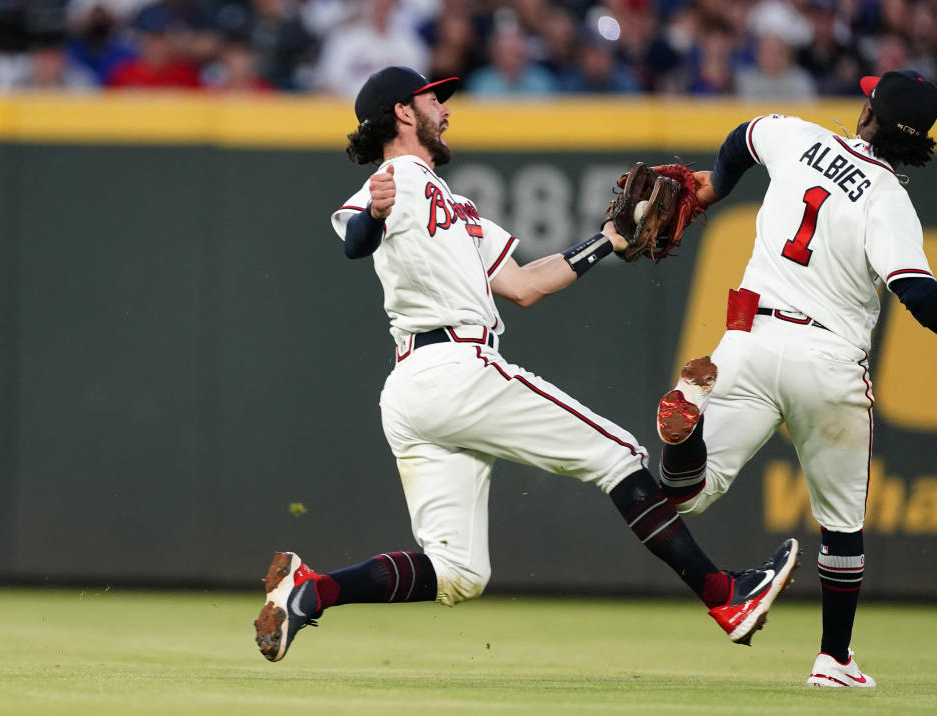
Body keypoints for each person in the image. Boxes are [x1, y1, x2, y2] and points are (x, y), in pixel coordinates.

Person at [253, 65, 800, 664]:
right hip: (454, 366)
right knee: (618, 454)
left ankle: (312, 592)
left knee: (459, 571)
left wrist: (610, 240)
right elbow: (355, 241)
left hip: (415, 391)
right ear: (404, 112)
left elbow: (524, 284)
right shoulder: (396, 178)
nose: (446, 109)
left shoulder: (456, 205)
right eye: (436, 99)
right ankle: (724, 595)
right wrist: (374, 215)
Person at [654, 68, 937, 688]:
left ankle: (684, 437)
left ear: (869, 112)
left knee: (686, 496)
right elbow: (918, 295)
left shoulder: (801, 137)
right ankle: (834, 659)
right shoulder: (890, 200)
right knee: (841, 524)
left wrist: (714, 189)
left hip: (748, 343)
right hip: (828, 363)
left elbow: (743, 136)